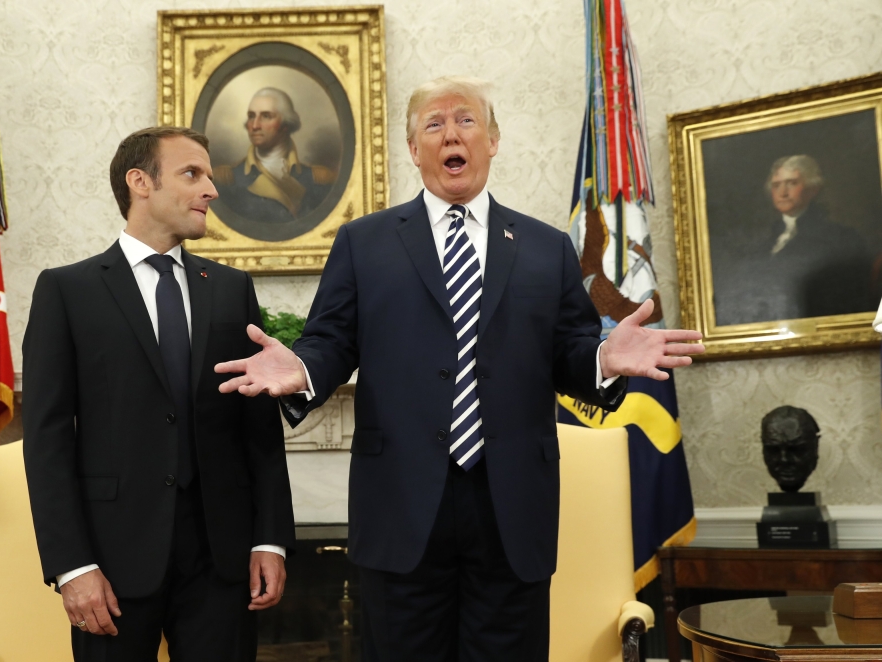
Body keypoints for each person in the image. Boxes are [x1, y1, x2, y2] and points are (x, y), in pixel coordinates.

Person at [214, 76, 704, 661]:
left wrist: (601, 358)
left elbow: (570, 352)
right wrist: (303, 369)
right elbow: (330, 341)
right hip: (400, 504)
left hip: (512, 507)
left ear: (493, 139)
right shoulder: (363, 242)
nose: (452, 133)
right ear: (413, 146)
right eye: (434, 123)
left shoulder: (546, 248)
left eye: (466, 120)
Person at [23, 126, 295, 662]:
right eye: (192, 174)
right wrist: (72, 566)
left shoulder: (232, 290)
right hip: (111, 564)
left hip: (222, 562)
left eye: (211, 177)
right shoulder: (66, 291)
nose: (211, 190)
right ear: (139, 182)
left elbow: (258, 433)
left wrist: (270, 539)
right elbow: (46, 441)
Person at [712, 155, 874, 325]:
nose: (782, 193)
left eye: (792, 183)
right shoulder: (760, 245)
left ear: (813, 189)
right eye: (776, 186)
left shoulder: (841, 239)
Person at [214, 87, 336, 224]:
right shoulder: (226, 179)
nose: (254, 125)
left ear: (285, 124)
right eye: (251, 116)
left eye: (266, 116)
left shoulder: (319, 179)